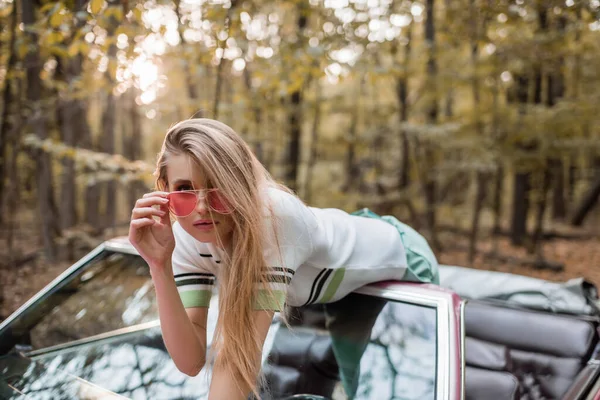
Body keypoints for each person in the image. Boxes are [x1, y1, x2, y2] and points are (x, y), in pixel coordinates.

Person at [128, 118, 439, 400]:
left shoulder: (274, 219)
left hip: (397, 254)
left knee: (380, 385)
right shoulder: (183, 236)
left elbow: (237, 363)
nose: (201, 207)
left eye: (217, 187)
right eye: (184, 189)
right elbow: (191, 361)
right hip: (325, 282)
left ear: (243, 185)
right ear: (164, 191)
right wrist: (159, 265)